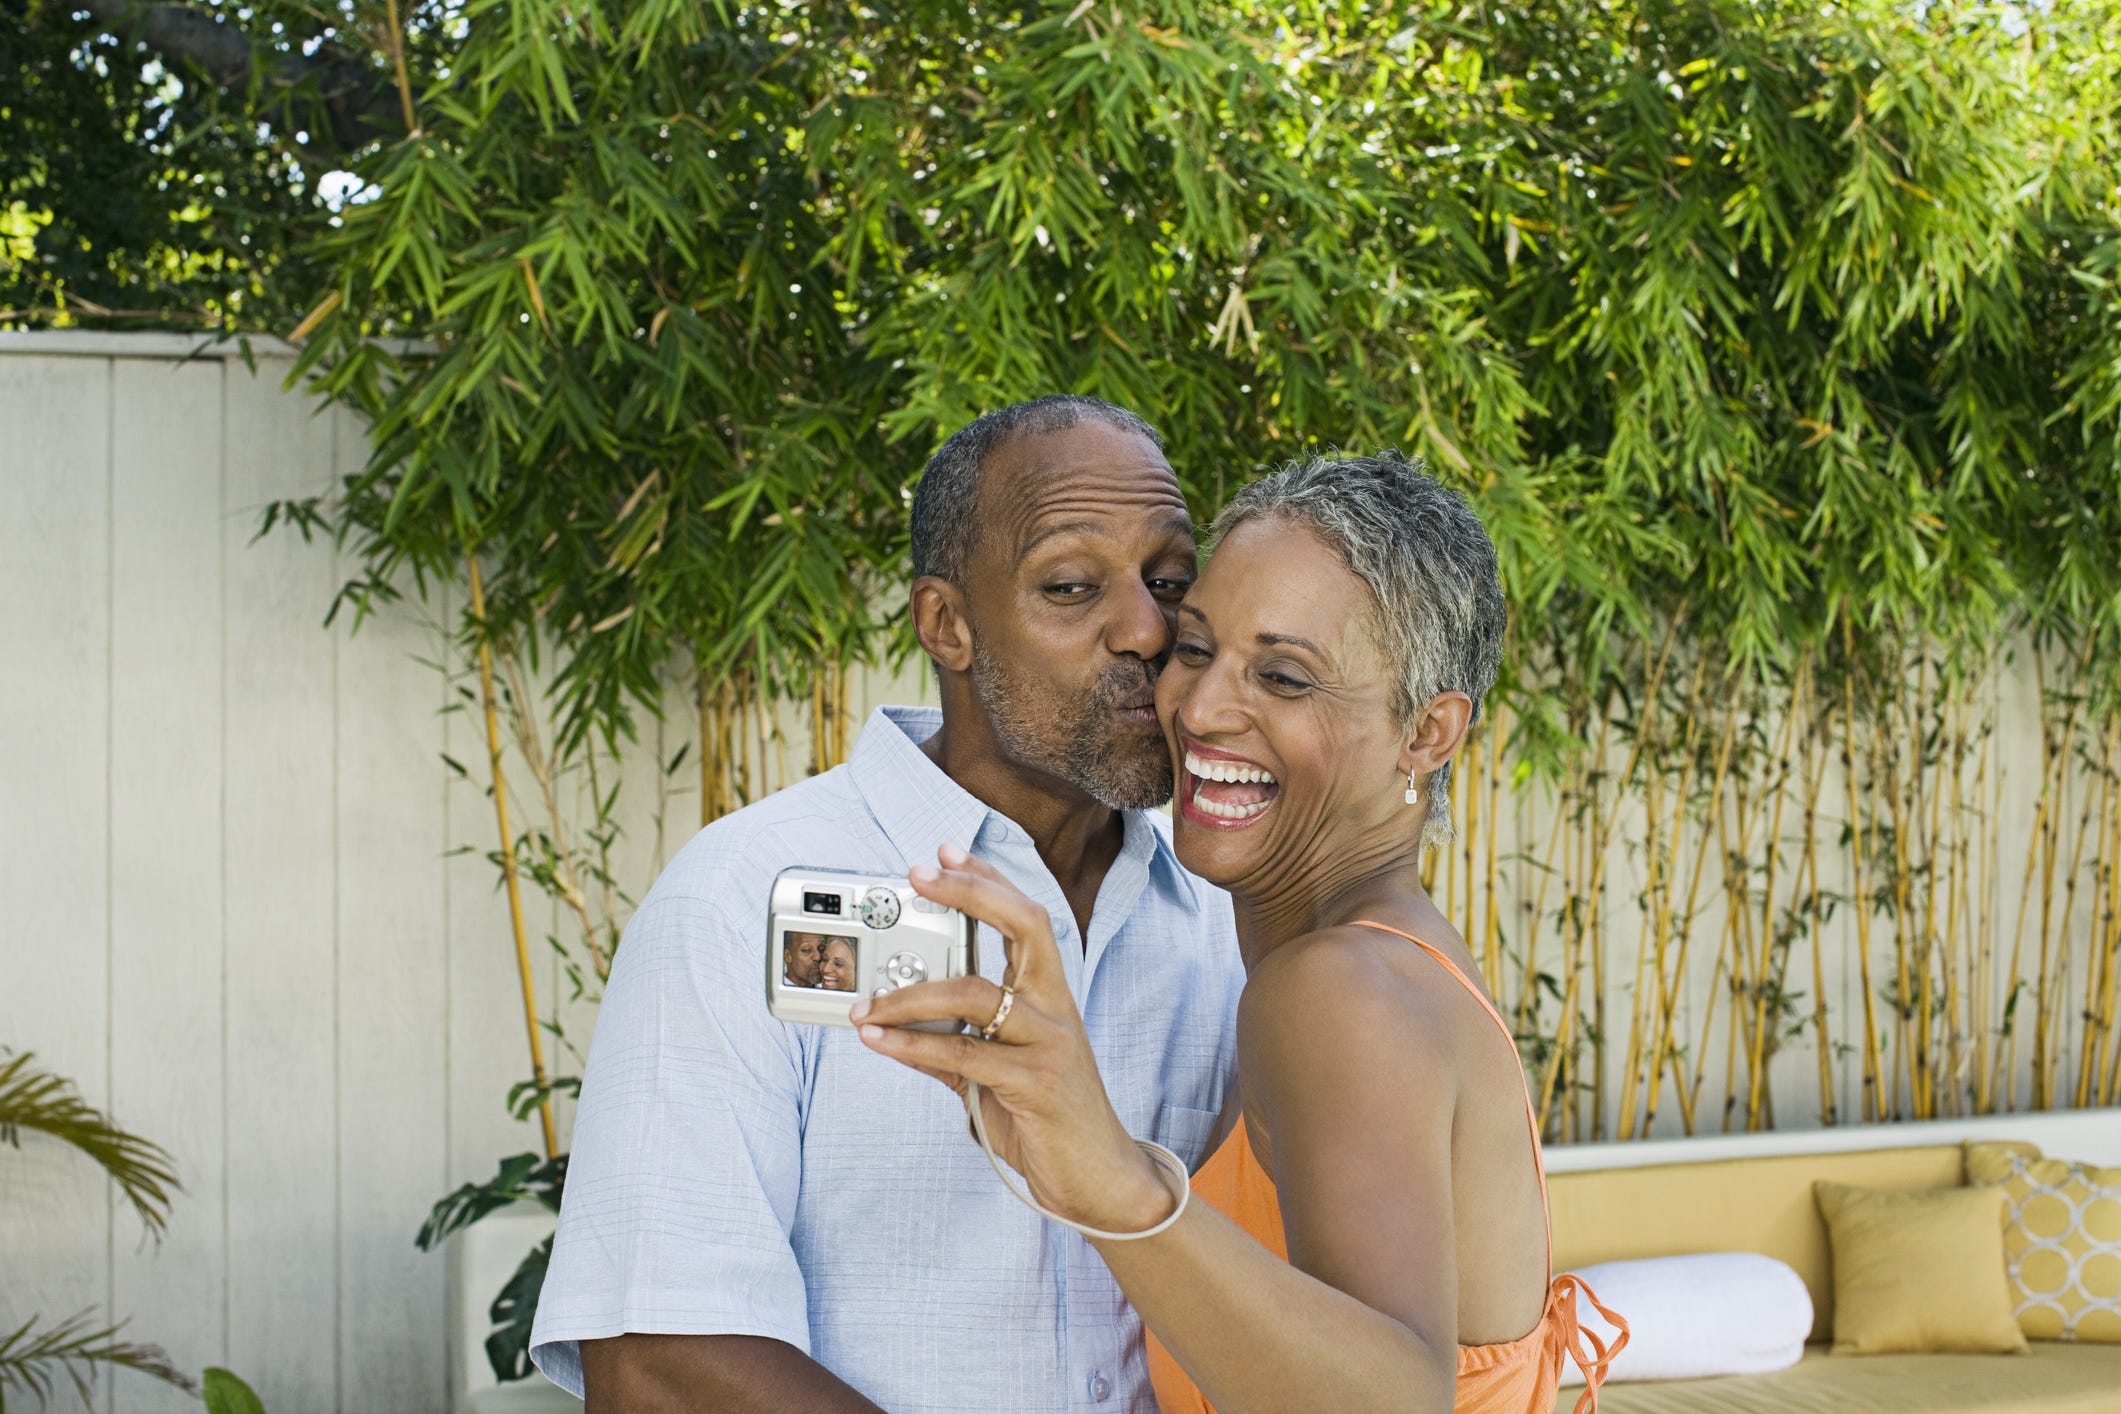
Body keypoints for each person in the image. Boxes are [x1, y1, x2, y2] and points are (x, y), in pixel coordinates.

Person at [858, 453, 1627, 1413]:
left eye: (1285, 677)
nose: (1201, 706)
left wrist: (1110, 1176)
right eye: (1193, 647)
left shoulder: (1334, 990)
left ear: (1427, 734)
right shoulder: (1390, 960)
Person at [529, 395, 1245, 1413]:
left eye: (1170, 580)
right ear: (947, 624)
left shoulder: (1227, 918)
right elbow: (662, 1364)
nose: (1145, 626)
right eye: (1073, 585)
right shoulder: (743, 898)